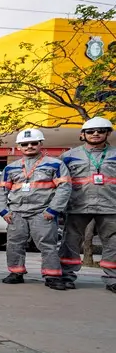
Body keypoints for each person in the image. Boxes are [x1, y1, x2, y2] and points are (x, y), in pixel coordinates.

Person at [0, 128, 72, 290]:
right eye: (25, 144)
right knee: (14, 244)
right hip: (17, 213)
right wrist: (3, 210)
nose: (29, 146)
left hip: (42, 212)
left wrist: (53, 210)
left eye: (33, 143)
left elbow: (64, 188)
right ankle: (16, 273)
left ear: (40, 144)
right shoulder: (11, 168)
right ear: (19, 147)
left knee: (47, 244)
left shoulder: (55, 164)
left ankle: (52, 276)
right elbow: (2, 191)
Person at [60, 117, 115, 293]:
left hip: (110, 206)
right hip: (77, 205)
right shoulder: (68, 156)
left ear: (108, 133)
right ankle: (66, 276)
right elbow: (60, 183)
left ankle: (113, 279)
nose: (96, 134)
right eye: (91, 131)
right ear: (83, 134)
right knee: (70, 241)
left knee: (113, 242)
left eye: (101, 130)